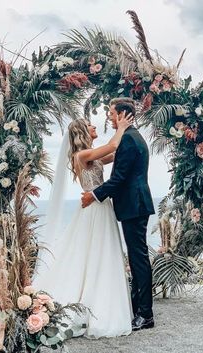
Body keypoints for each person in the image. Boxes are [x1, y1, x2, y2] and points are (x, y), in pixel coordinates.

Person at [34, 113, 134, 338]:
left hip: (101, 206)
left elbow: (115, 154)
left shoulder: (91, 156)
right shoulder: (82, 155)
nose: (94, 126)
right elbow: (112, 144)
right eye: (90, 125)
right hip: (94, 210)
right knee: (95, 252)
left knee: (97, 252)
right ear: (82, 132)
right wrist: (122, 126)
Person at [82, 98, 155, 331]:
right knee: (136, 258)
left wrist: (93, 195)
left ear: (123, 114)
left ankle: (145, 314)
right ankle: (137, 308)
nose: (109, 117)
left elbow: (118, 179)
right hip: (135, 205)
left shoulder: (129, 140)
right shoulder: (131, 137)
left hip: (134, 205)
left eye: (112, 113)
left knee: (138, 259)